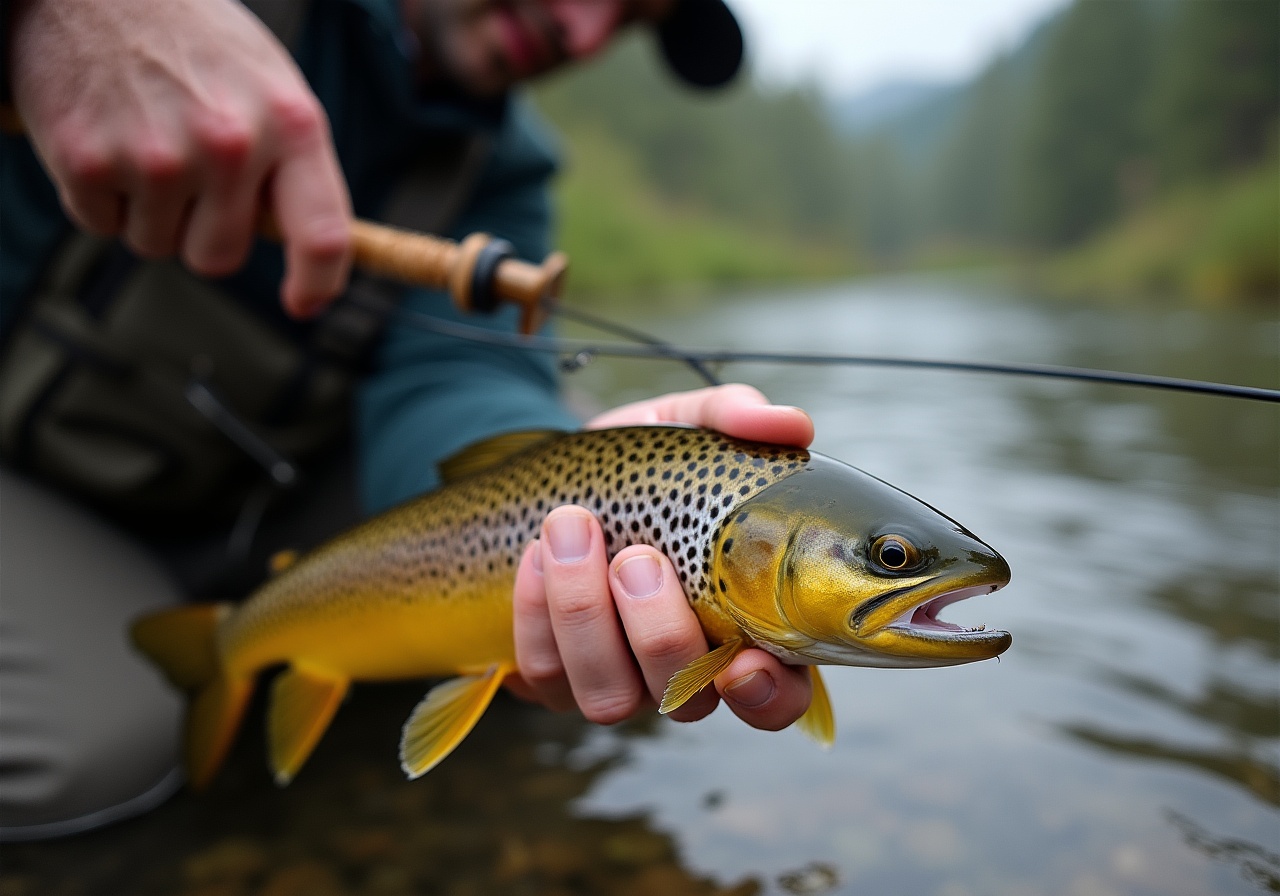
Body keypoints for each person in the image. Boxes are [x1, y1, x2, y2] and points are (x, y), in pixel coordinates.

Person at [0, 0, 813, 840]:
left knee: (583, 472)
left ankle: (278, 625)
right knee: (94, 759)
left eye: (631, 22)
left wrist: (582, 486)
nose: (584, 32)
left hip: (260, 485)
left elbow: (456, 378)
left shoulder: (496, 168)